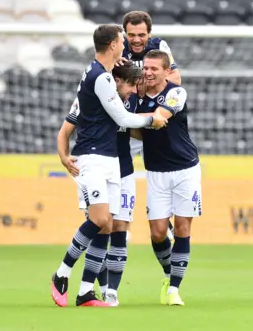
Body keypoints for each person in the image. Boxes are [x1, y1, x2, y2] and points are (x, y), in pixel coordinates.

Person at [50, 24, 167, 308]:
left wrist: (120, 67)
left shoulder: (101, 73)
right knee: (100, 220)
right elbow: (123, 118)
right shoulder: (100, 79)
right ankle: (61, 273)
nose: (125, 44)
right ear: (114, 44)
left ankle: (86, 292)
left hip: (111, 159)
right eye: (121, 41)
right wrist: (152, 118)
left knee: (107, 227)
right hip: (91, 157)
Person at [57, 61, 143, 306]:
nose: (135, 90)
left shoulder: (134, 95)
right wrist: (63, 157)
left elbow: (134, 126)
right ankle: (76, 278)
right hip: (94, 164)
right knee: (98, 221)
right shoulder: (91, 94)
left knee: (117, 228)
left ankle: (102, 290)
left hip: (121, 169)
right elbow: (64, 131)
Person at [135, 50, 201, 306]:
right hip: (156, 172)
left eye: (154, 69)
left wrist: (121, 116)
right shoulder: (136, 99)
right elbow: (141, 132)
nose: (149, 73)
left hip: (185, 169)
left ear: (165, 71)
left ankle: (174, 289)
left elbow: (160, 118)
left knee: (183, 228)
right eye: (146, 68)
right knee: (158, 233)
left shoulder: (176, 93)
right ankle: (168, 273)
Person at [121, 10, 179, 239]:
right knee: (119, 174)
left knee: (163, 172)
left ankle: (166, 219)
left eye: (141, 34)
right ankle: (119, 221)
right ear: (124, 33)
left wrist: (151, 100)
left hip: (152, 124)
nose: (136, 39)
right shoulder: (117, 49)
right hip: (128, 128)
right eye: (131, 34)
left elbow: (175, 79)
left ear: (149, 34)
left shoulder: (158, 46)